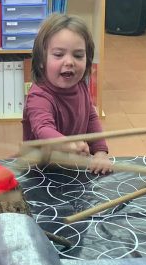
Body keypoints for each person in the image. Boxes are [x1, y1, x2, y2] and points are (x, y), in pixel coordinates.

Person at [23, 13, 112, 174]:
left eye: (78, 55)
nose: (70, 62)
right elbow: (42, 128)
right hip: (41, 172)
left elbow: (91, 118)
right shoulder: (39, 96)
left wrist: (100, 152)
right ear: (41, 60)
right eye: (59, 54)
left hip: (72, 168)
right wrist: (67, 144)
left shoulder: (81, 86)